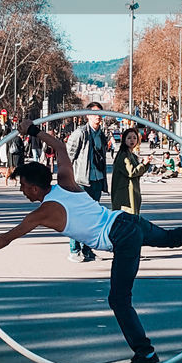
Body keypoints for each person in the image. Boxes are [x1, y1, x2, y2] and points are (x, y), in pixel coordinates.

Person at [0, 122, 182, 363]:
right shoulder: (66, 183)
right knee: (171, 239)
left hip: (121, 237)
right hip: (127, 221)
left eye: (22, 187)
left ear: (34, 187)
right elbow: (59, 148)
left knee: (118, 300)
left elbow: (7, 237)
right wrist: (33, 130)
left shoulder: (43, 212)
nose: (22, 192)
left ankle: (145, 353)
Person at [66, 104, 109, 262]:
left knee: (92, 217)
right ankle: (74, 249)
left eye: (100, 113)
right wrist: (67, 179)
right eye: (94, 113)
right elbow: (68, 156)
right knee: (78, 216)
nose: (98, 116)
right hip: (82, 181)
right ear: (87, 116)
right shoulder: (80, 134)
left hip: (97, 180)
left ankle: (88, 249)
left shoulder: (101, 135)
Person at [110, 128, 147, 215]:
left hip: (133, 191)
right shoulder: (123, 155)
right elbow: (131, 172)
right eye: (129, 138)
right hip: (125, 193)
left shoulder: (132, 155)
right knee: (127, 218)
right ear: (124, 139)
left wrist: (145, 164)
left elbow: (138, 172)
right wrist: (143, 164)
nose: (132, 140)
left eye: (134, 138)